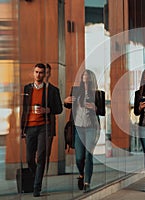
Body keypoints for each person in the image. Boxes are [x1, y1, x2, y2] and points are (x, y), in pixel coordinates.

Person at [21, 63, 63, 197]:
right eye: (36, 72)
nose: (38, 75)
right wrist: (23, 128)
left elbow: (59, 109)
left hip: (44, 127)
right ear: (33, 73)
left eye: (41, 73)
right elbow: (24, 110)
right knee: (29, 158)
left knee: (41, 157)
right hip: (30, 127)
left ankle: (36, 187)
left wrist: (48, 109)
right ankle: (36, 178)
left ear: (45, 74)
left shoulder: (52, 90)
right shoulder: (27, 88)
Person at [64, 69, 105, 193]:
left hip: (91, 127)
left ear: (91, 78)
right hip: (78, 127)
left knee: (88, 155)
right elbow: (68, 105)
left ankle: (87, 182)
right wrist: (65, 101)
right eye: (83, 75)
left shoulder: (98, 94)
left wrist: (95, 108)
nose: (85, 77)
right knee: (79, 157)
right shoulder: (76, 91)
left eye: (87, 75)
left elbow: (102, 112)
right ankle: (81, 174)